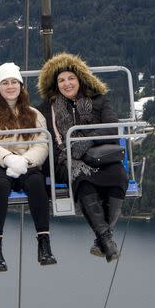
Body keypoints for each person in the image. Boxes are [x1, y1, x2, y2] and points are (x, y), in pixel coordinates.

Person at [38, 53, 128, 262]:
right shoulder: (46, 109)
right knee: (81, 178)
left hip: (99, 155)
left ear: (80, 79)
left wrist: (86, 142)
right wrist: (71, 151)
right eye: (61, 80)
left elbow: (111, 127)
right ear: (55, 84)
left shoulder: (99, 101)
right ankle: (107, 241)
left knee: (119, 176)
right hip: (65, 160)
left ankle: (102, 241)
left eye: (71, 78)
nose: (67, 84)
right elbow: (45, 138)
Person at [0, 62, 56, 272]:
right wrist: (8, 159)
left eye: (14, 82)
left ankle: (44, 244)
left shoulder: (33, 114)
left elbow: (42, 144)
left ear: (21, 86)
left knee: (37, 182)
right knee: (0, 185)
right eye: (5, 83)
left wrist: (24, 162)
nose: (10, 87)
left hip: (23, 164)